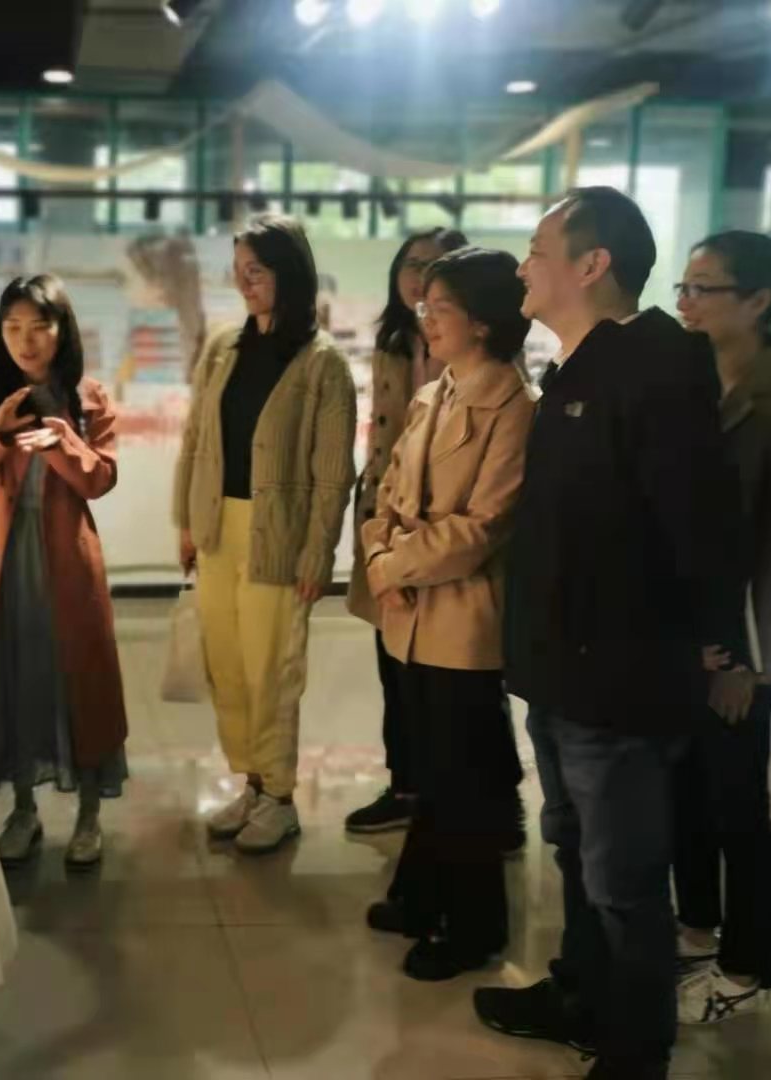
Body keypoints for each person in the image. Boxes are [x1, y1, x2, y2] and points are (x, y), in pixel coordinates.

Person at [473, 188, 748, 1079]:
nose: (523, 265)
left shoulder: (655, 368)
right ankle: (580, 995)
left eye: (537, 248)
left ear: (592, 265)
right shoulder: (579, 367)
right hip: (561, 668)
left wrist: (715, 645)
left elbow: (698, 527)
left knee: (624, 878)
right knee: (571, 847)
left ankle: (635, 1049)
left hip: (619, 676)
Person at [671, 232, 771, 1023]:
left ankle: (744, 967)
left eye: (702, 288)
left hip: (738, 636)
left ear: (759, 301)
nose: (685, 302)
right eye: (683, 285)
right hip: (677, 631)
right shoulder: (687, 377)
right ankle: (694, 927)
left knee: (736, 802)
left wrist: (746, 659)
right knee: (682, 791)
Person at [362, 247, 535, 981]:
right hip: (409, 608)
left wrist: (391, 566)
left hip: (463, 617)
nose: (426, 321)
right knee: (431, 766)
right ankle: (422, 895)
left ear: (484, 322)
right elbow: (387, 493)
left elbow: (483, 527)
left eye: (441, 309)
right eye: (424, 307)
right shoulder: (435, 393)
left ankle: (474, 928)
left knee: (464, 779)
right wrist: (380, 556)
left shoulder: (516, 408)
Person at [173, 214, 356, 855]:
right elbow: (195, 439)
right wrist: (186, 521)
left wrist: (319, 553)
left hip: (278, 537)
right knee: (226, 666)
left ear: (290, 273)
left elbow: (333, 475)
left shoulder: (323, 363)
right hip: (217, 527)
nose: (243, 283)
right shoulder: (224, 346)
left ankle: (279, 796)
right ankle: (251, 782)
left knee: (271, 668)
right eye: (238, 271)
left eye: (257, 271)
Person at [0, 273, 128, 869]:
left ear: (61, 330)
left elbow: (100, 480)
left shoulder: (88, 398)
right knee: (14, 683)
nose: (26, 339)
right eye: (13, 326)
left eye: (39, 326)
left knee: (81, 688)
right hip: (4, 562)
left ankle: (89, 816)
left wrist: (62, 442)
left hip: (68, 563)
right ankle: (23, 811)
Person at [345, 226, 467, 835]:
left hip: (441, 528)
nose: (420, 276)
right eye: (412, 263)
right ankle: (406, 785)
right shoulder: (391, 342)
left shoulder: (472, 347)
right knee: (393, 664)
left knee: (452, 674)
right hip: (384, 517)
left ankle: (474, 801)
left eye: (435, 265)